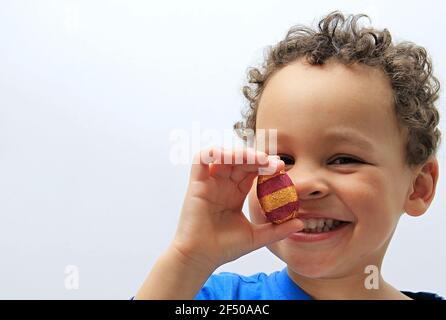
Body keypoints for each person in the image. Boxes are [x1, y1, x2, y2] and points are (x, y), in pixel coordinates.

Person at [135, 11, 443, 300]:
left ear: (418, 187)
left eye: (343, 159)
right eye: (281, 158)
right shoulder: (214, 297)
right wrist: (190, 257)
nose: (301, 183)